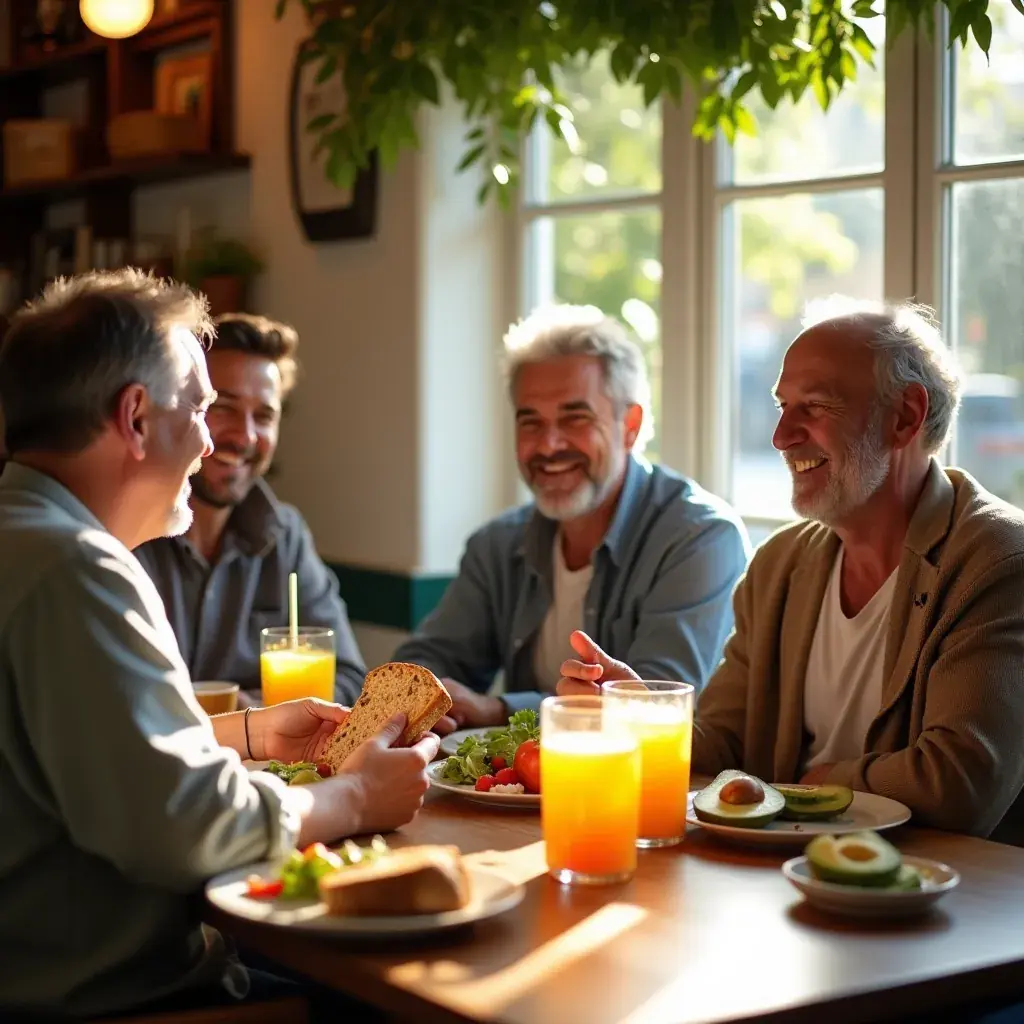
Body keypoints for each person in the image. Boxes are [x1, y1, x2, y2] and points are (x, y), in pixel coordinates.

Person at [0, 270, 438, 1020]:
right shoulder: (80, 568)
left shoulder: (27, 542)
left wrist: (243, 733)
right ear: (136, 417)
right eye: (201, 408)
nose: (210, 441)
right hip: (118, 1003)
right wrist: (358, 795)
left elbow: (78, 755)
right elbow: (186, 827)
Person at [558, 297, 1024, 843]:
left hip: (947, 907)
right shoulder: (780, 564)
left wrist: (818, 784)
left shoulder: (998, 562)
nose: (781, 437)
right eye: (782, 406)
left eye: (816, 406)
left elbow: (958, 786)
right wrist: (635, 709)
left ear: (905, 417)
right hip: (785, 883)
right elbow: (727, 744)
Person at [394, 304, 750, 734]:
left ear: (629, 425)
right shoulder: (497, 544)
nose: (548, 445)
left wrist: (500, 709)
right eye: (531, 422)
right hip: (520, 792)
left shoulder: (701, 539)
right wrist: (418, 695)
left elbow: (654, 704)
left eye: (574, 418)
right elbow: (429, 661)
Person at [134, 313, 365, 707]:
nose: (245, 436)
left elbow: (347, 679)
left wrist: (243, 710)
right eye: (222, 407)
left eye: (264, 416)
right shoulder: (126, 530)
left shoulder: (285, 534)